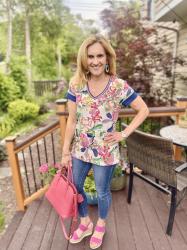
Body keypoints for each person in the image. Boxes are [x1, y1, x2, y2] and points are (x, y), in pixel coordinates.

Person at [61, 34, 149, 249]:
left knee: (102, 192)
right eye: (90, 56)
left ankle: (100, 224)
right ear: (84, 59)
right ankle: (84, 222)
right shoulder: (76, 85)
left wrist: (123, 134)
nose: (95, 61)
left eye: (100, 55)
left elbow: (143, 109)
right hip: (80, 149)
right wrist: (65, 152)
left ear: (107, 58)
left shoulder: (118, 86)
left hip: (106, 151)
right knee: (75, 187)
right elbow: (71, 120)